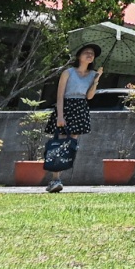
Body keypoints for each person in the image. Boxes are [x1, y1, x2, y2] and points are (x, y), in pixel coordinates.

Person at [44, 43, 102, 192]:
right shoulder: (68, 72)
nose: (90, 55)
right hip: (66, 106)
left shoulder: (92, 74)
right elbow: (60, 94)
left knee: (70, 145)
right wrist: (60, 116)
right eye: (86, 52)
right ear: (79, 56)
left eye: (92, 54)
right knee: (60, 142)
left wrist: (96, 80)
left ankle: (58, 178)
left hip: (80, 108)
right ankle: (55, 179)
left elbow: (89, 96)